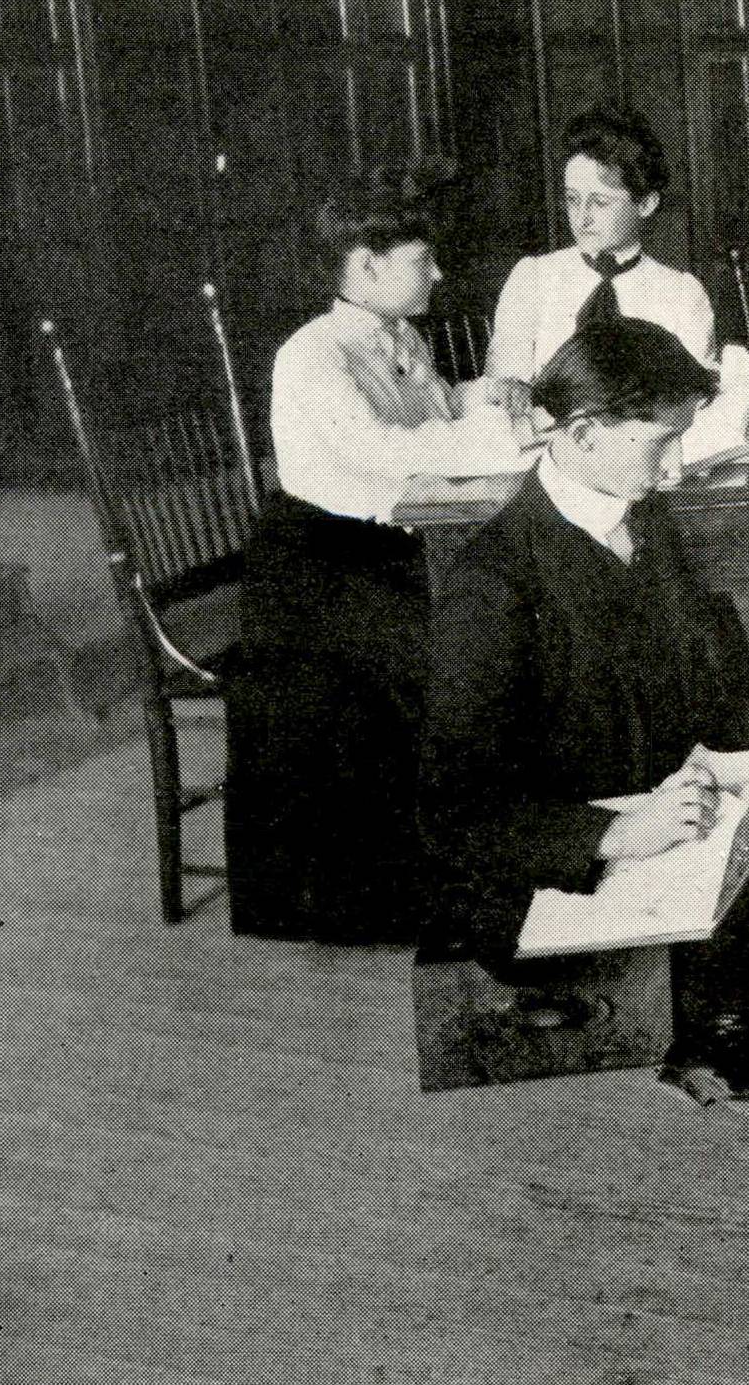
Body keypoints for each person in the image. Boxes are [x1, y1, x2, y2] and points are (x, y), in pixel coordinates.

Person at [420, 319, 749, 1121]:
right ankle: (739, 1038)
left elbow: (722, 686)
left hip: (673, 824)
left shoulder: (645, 522)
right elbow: (454, 817)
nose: (679, 465)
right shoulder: (492, 586)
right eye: (663, 442)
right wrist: (614, 835)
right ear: (581, 433)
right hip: (559, 869)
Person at [227, 162, 532, 942]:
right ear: (365, 268)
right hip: (319, 564)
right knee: (449, 652)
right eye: (422, 259)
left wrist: (475, 397)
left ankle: (508, 844)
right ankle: (423, 887)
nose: (438, 271)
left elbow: (420, 413)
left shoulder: (397, 335)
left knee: (504, 622)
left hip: (390, 543)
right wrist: (499, 434)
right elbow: (382, 448)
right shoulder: (311, 355)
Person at [484, 106, 719, 390]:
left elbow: (695, 395)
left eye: (600, 203)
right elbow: (504, 385)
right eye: (572, 200)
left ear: (645, 204)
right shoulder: (533, 279)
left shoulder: (682, 294)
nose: (582, 218)